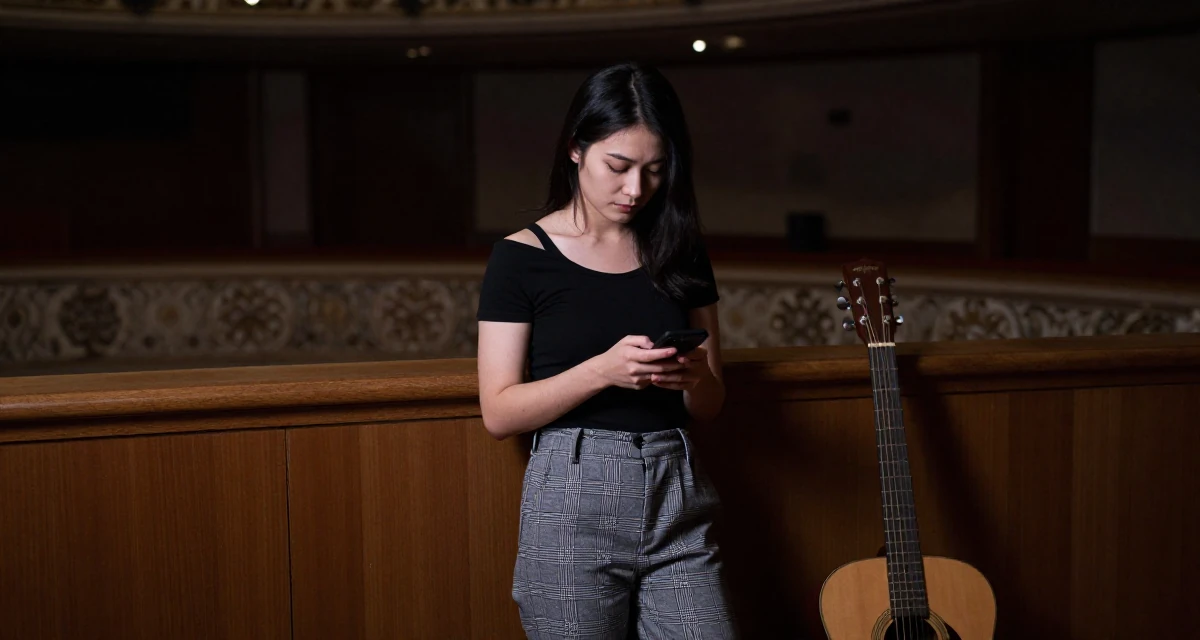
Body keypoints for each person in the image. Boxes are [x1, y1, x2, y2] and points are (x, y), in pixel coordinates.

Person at [475, 62, 738, 640]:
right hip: (571, 495)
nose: (635, 189)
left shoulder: (681, 249)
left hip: (678, 486)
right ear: (576, 149)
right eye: (617, 167)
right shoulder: (521, 258)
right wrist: (603, 370)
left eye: (654, 170)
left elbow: (712, 404)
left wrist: (694, 377)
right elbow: (498, 411)